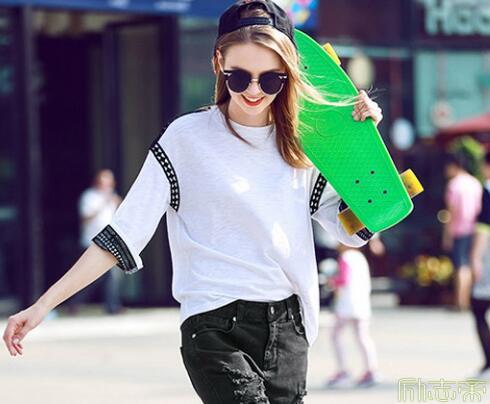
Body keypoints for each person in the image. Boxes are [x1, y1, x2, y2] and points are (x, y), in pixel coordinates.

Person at [3, 1, 382, 402]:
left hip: (288, 325)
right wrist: (42, 305)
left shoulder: (305, 147)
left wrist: (366, 150)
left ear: (288, 75)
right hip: (215, 326)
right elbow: (123, 234)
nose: (254, 91)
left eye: (270, 79)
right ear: (219, 63)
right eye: (240, 77)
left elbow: (353, 228)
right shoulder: (186, 140)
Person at [68, 169, 125, 315]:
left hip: (109, 243)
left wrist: (118, 204)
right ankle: (76, 302)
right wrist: (104, 204)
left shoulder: (113, 197)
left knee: (109, 276)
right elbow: (85, 218)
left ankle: (112, 307)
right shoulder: (89, 196)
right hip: (91, 242)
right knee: (92, 277)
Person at [326, 243, 380, 388]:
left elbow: (344, 280)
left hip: (347, 304)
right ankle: (372, 369)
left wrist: (331, 281)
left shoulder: (345, 257)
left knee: (336, 336)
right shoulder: (360, 257)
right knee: (363, 336)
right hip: (362, 303)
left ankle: (343, 370)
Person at [443, 153, 482, 310]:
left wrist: (446, 235)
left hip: (458, 229)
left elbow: (451, 212)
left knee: (460, 265)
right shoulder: (475, 183)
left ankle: (460, 301)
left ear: (454, 166)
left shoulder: (454, 185)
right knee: (470, 263)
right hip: (475, 229)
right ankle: (468, 299)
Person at [469, 151, 490, 379]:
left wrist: (475, 258)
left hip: (488, 256)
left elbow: (484, 227)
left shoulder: (487, 190)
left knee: (479, 307)